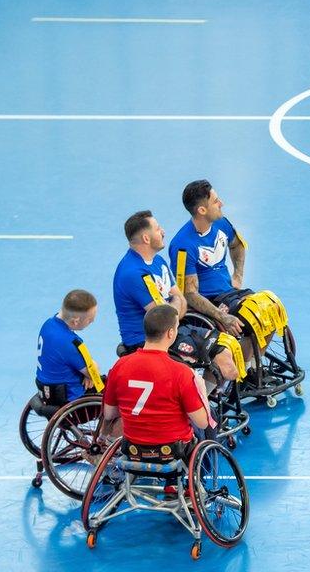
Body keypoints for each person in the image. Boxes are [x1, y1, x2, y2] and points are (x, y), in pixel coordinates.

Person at [113, 210, 239, 382]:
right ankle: (199, 404)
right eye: (158, 229)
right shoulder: (133, 273)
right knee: (226, 367)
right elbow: (163, 318)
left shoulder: (158, 261)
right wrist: (176, 304)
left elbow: (181, 299)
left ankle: (207, 398)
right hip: (148, 340)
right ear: (146, 238)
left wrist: (175, 306)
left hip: (173, 330)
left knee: (226, 348)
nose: (163, 231)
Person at [102, 305, 210, 462]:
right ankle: (203, 479)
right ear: (171, 333)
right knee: (209, 419)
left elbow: (109, 414)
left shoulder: (120, 365)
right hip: (172, 449)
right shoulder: (181, 371)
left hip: (133, 447)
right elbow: (202, 422)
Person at [168, 180, 246, 338]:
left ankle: (249, 356)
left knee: (267, 309)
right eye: (216, 201)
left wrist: (237, 275)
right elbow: (189, 294)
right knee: (253, 317)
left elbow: (238, 246)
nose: (221, 204)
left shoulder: (222, 224)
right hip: (211, 302)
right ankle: (237, 360)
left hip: (230, 293)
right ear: (202, 210)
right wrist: (222, 317)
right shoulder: (182, 246)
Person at [35, 289, 100, 405]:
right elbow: (93, 373)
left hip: (45, 388)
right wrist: (91, 371)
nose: (93, 321)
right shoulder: (71, 343)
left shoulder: (48, 324)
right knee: (111, 389)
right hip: (67, 396)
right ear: (75, 321)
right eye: (90, 319)